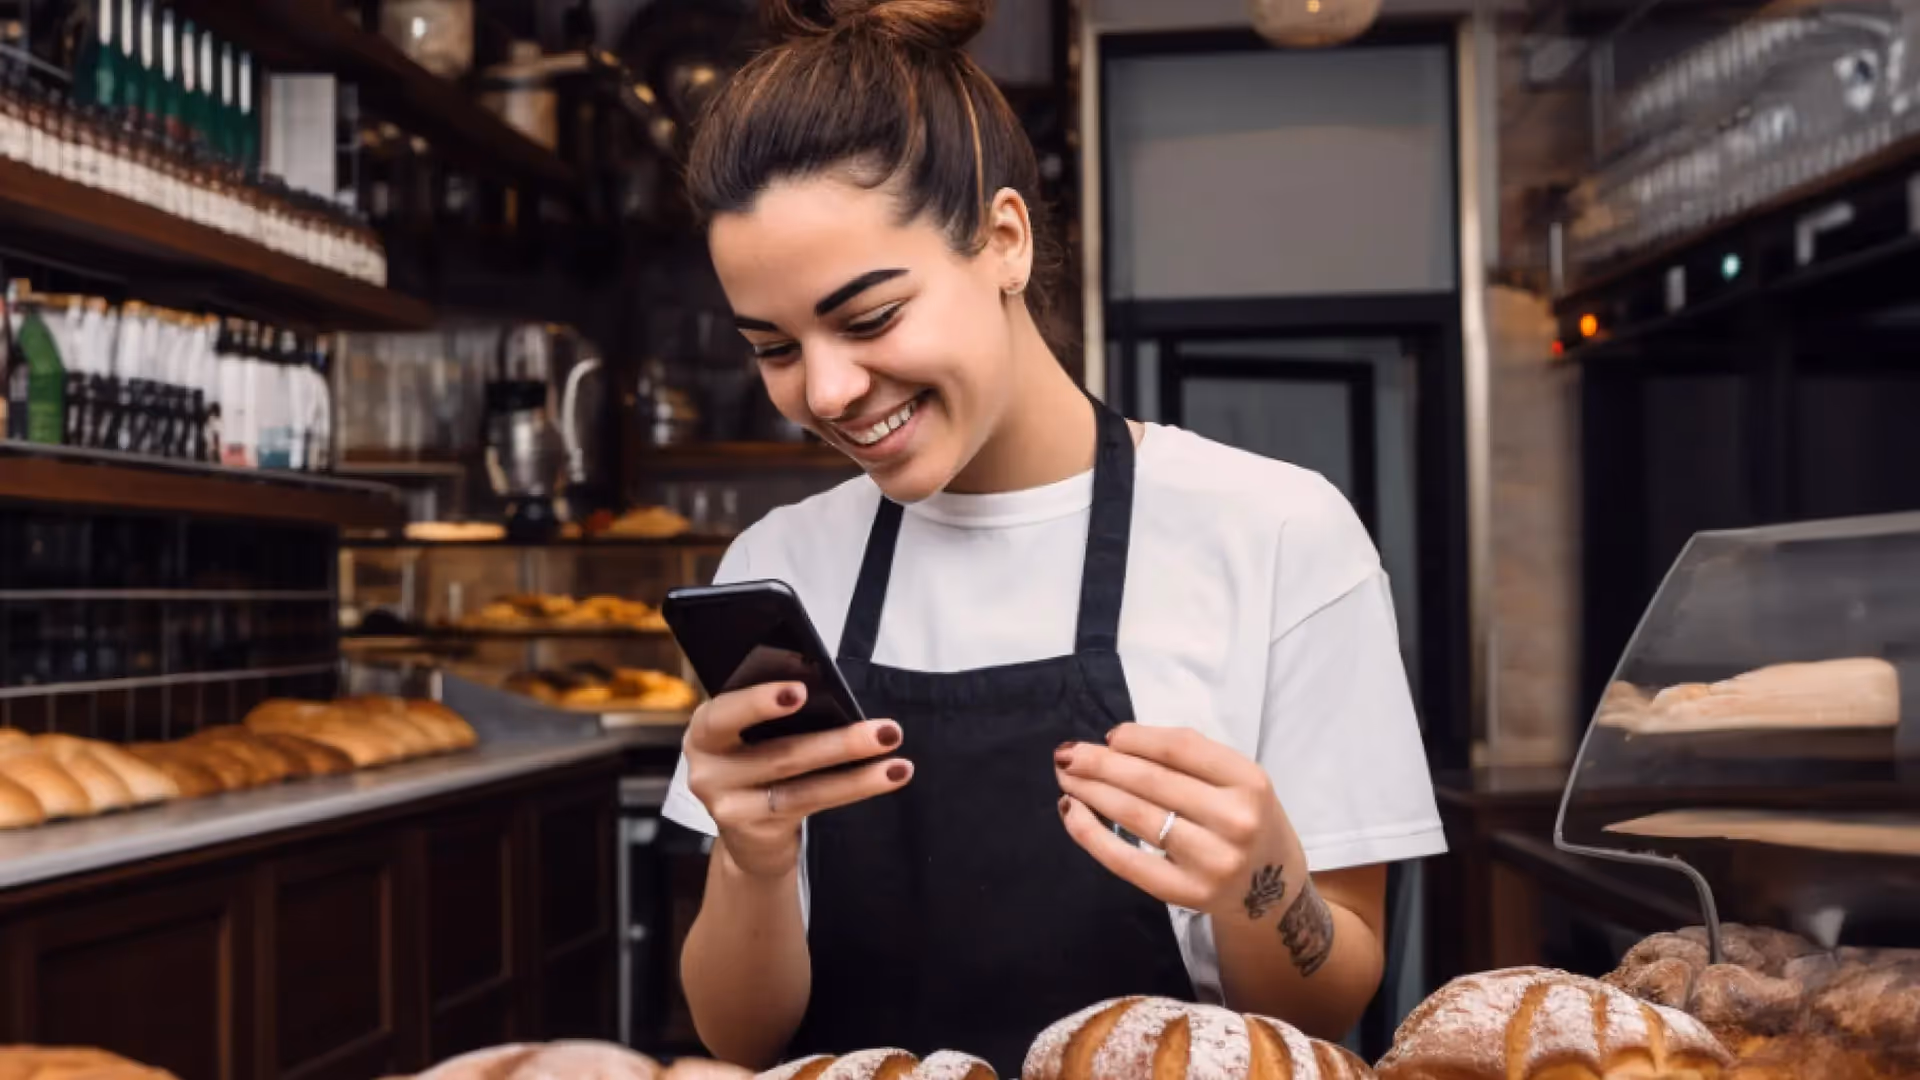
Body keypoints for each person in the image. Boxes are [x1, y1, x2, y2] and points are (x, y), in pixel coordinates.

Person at [661, 0, 1445, 1071]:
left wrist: (1259, 880)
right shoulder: (777, 568)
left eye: (871, 316)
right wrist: (751, 858)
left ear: (1005, 241)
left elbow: (1324, 1007)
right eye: (774, 347)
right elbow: (739, 1038)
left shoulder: (1278, 533)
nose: (828, 390)